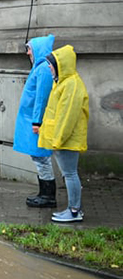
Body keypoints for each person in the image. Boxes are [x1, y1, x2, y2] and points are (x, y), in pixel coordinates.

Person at [38, 45, 89, 223]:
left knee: (70, 174)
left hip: (65, 140)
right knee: (69, 174)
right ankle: (73, 209)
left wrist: (57, 141)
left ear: (61, 64)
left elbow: (67, 116)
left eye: (51, 64)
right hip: (62, 140)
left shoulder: (71, 85)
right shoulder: (65, 82)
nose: (49, 67)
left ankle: (74, 211)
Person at [12, 35, 56, 208]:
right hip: (32, 120)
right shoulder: (40, 67)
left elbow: (41, 99)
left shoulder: (43, 69)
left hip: (35, 121)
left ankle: (48, 196)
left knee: (41, 157)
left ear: (38, 49)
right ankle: (43, 193)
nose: (27, 53)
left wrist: (37, 121)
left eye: (29, 48)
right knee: (38, 157)